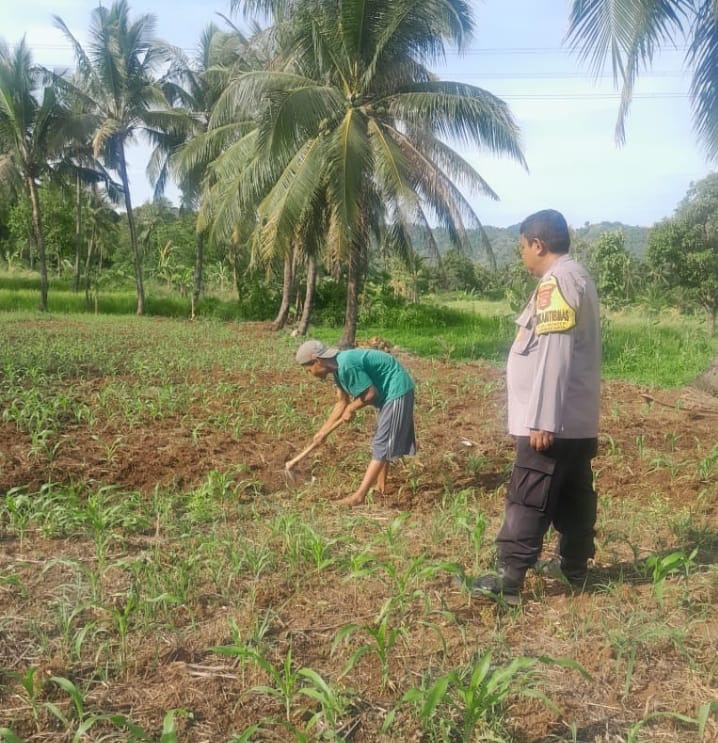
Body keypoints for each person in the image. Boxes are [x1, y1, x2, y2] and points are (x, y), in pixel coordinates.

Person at [472, 208, 601, 602]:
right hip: (574, 419)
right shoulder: (576, 275)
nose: (523, 256)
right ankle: (574, 568)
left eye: (523, 248)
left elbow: (554, 351)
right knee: (574, 493)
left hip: (551, 422)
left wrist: (542, 418)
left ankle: (508, 580)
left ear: (538, 244)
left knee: (528, 494)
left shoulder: (556, 281)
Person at [295, 339, 416, 506]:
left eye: (309, 370)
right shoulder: (337, 370)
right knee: (381, 440)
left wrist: (351, 408)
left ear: (317, 361)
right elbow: (341, 402)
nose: (311, 374)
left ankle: (359, 496)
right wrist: (322, 432)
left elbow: (370, 394)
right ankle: (380, 486)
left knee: (382, 442)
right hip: (388, 395)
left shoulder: (346, 365)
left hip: (396, 390)